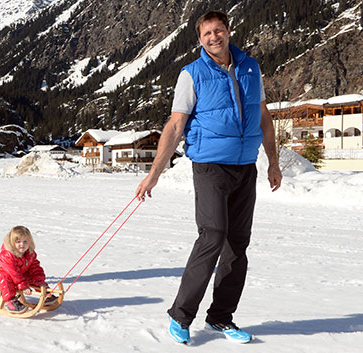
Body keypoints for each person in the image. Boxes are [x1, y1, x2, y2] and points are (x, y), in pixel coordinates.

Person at [135, 10, 282, 345]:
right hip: (210, 167)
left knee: (237, 244)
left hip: (246, 166)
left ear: (229, 31)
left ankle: (220, 318)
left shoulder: (250, 67)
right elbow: (175, 126)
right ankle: (180, 315)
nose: (214, 37)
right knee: (213, 234)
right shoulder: (192, 74)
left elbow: (264, 116)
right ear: (199, 40)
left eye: (218, 30)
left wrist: (273, 161)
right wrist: (154, 174)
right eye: (206, 34)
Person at [0, 226, 57, 313]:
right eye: (18, 242)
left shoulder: (30, 253)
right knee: (5, 278)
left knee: (31, 275)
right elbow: (13, 272)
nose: (22, 245)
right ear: (12, 243)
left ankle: (45, 294)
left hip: (18, 276)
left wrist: (39, 279)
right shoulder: (7, 255)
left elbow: (35, 266)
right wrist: (23, 286)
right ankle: (11, 301)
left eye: (25, 242)